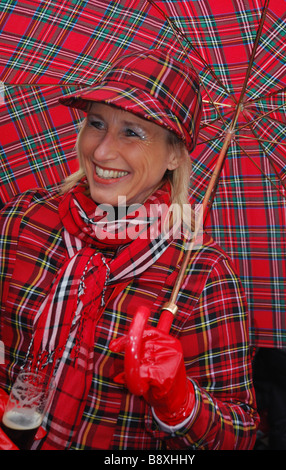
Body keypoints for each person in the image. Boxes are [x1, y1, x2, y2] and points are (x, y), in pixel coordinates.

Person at [0, 49, 259, 450]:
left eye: (132, 132)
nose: (101, 152)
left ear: (174, 154)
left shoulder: (202, 271)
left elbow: (238, 436)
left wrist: (180, 402)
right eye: (96, 123)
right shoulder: (24, 220)